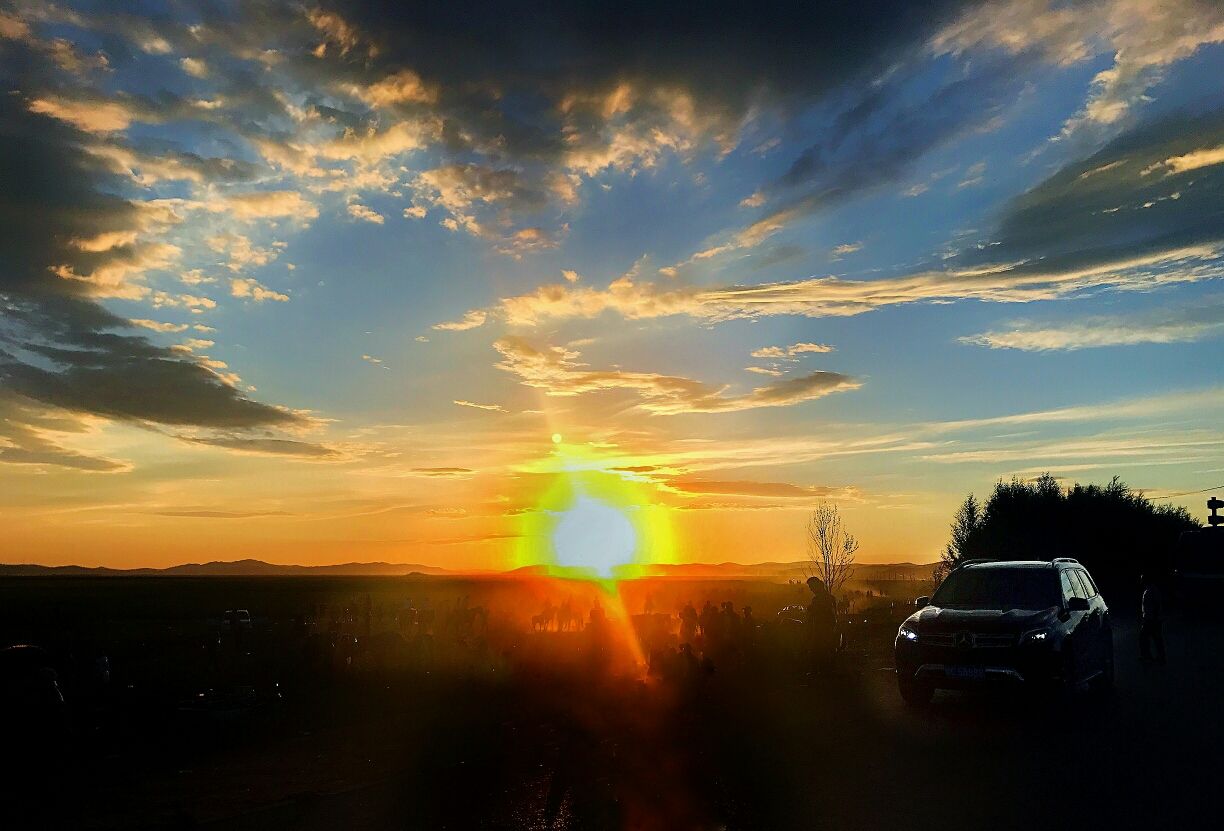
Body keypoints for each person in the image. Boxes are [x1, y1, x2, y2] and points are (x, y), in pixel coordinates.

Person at [1139, 574, 1166, 664]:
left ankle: (1148, 656)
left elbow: (1155, 606)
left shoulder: (1151, 591)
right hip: (1153, 618)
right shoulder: (1152, 590)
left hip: (1151, 619)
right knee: (1156, 638)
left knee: (1145, 638)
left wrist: (1152, 618)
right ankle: (1158, 656)